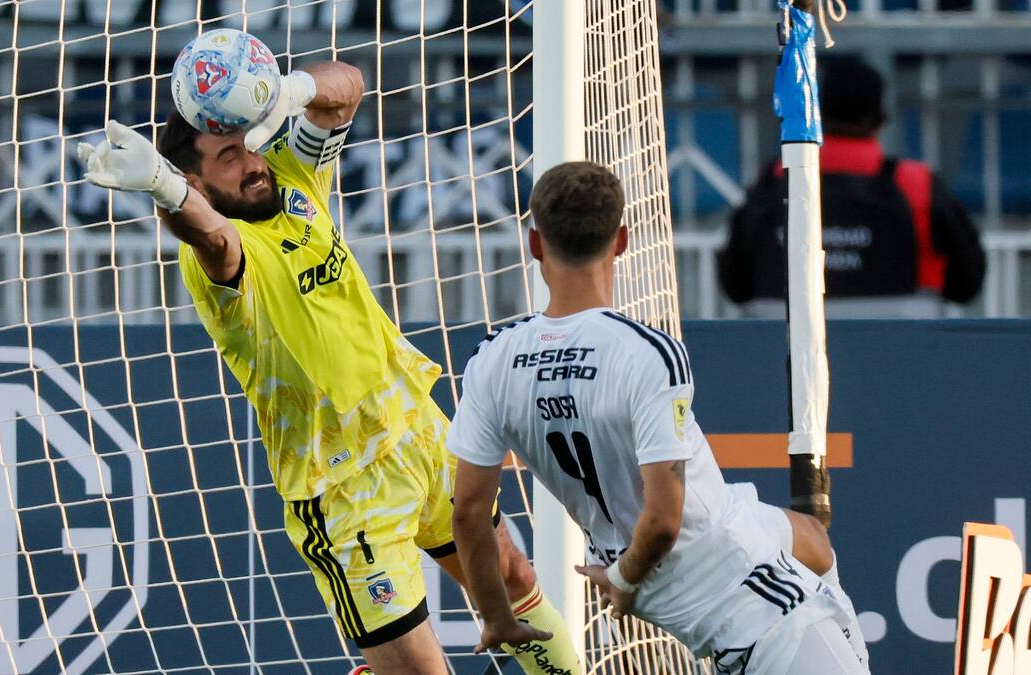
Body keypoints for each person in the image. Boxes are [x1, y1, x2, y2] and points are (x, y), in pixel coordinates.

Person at [76, 43, 582, 675]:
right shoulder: (216, 262)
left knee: (511, 576)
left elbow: (345, 90)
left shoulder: (291, 176)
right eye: (229, 158)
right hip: (340, 484)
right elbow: (209, 232)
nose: (252, 162)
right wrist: (164, 188)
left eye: (250, 142)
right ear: (197, 180)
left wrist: (280, 94)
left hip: (413, 431)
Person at [448, 161, 870, 674]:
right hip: (765, 618)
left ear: (535, 245)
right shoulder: (647, 351)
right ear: (622, 240)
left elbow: (469, 512)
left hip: (722, 546)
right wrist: (622, 581)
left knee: (812, 538)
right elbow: (664, 520)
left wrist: (496, 616)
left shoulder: (492, 359)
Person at [720, 57, 986, 319]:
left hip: (787, 352)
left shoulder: (775, 179)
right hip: (903, 349)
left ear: (817, 113)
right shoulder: (916, 184)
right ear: (880, 117)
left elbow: (735, 285)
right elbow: (966, 283)